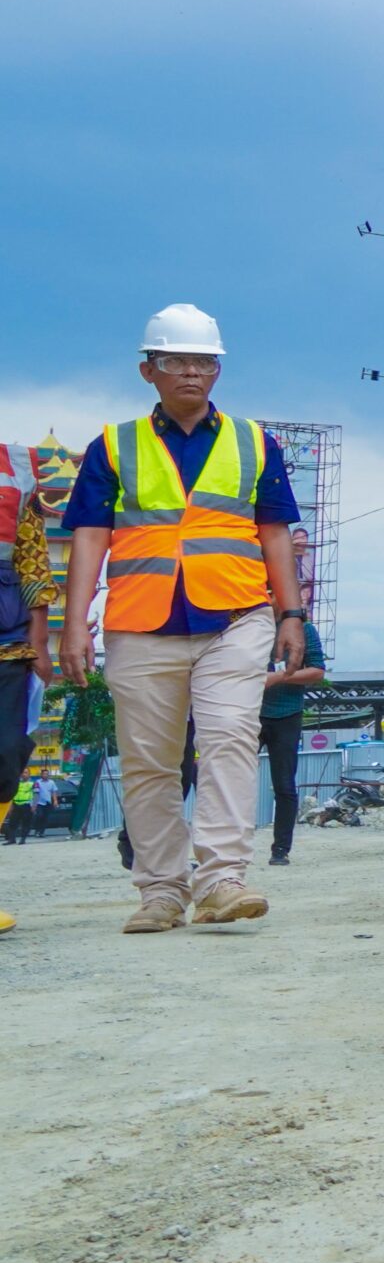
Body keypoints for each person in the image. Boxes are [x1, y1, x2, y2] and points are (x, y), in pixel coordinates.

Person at [60, 305, 305, 931]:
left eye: (204, 362)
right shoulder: (113, 446)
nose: (193, 373)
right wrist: (72, 621)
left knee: (228, 737)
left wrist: (291, 613)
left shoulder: (255, 442)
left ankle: (222, 878)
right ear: (150, 371)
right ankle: (162, 890)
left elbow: (275, 532)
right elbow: (89, 536)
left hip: (236, 616)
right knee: (149, 762)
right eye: (177, 361)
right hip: (140, 622)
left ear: (217, 371)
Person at [0, 440, 54, 928]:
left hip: (7, 644)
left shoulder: (17, 466)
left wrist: (41, 637)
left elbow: (33, 555)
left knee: (6, 752)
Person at [257, 528, 327, 866]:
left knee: (284, 784)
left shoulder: (305, 630)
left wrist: (279, 677)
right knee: (230, 779)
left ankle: (280, 850)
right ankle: (227, 846)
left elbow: (318, 671)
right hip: (249, 713)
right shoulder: (245, 629)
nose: (271, 599)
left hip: (286, 712)